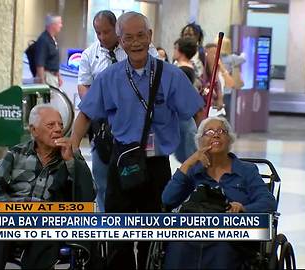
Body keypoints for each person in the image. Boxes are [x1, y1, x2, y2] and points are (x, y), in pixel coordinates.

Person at [71, 11, 205, 269]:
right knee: (117, 232)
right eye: (129, 37)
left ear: (150, 36)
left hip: (156, 166)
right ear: (120, 41)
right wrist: (73, 142)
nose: (135, 42)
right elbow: (86, 112)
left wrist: (208, 138)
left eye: (141, 36)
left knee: (153, 234)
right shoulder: (110, 77)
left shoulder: (171, 75)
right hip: (121, 160)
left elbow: (198, 111)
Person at [0, 104, 95, 269]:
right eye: (50, 125)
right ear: (34, 131)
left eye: (60, 125)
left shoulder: (70, 157)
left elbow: (89, 194)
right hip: (13, 218)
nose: (58, 129)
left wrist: (70, 162)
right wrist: (8, 207)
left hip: (49, 222)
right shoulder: (17, 154)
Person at [162, 116, 277, 269]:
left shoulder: (246, 171)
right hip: (194, 232)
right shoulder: (193, 171)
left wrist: (244, 209)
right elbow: (168, 199)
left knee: (222, 247)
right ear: (199, 141)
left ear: (230, 140)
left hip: (232, 236)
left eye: (221, 131)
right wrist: (188, 163)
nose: (216, 135)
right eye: (209, 132)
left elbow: (268, 202)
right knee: (178, 244)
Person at [77, 10, 158, 212]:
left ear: (117, 29)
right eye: (98, 33)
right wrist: (96, 106)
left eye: (107, 31)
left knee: (144, 178)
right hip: (104, 126)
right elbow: (83, 85)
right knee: (104, 179)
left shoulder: (141, 50)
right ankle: (109, 229)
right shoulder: (90, 55)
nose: (103, 37)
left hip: (141, 127)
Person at [172, 37, 198, 163]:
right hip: (183, 115)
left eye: (175, 48)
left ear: (180, 50)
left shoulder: (183, 70)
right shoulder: (188, 68)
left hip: (182, 116)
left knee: (187, 152)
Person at [35, 14, 63, 88]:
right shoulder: (44, 40)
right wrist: (42, 83)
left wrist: (58, 75)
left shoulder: (53, 39)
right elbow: (40, 63)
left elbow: (53, 61)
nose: (61, 25)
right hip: (47, 77)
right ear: (53, 25)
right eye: (59, 23)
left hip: (53, 77)